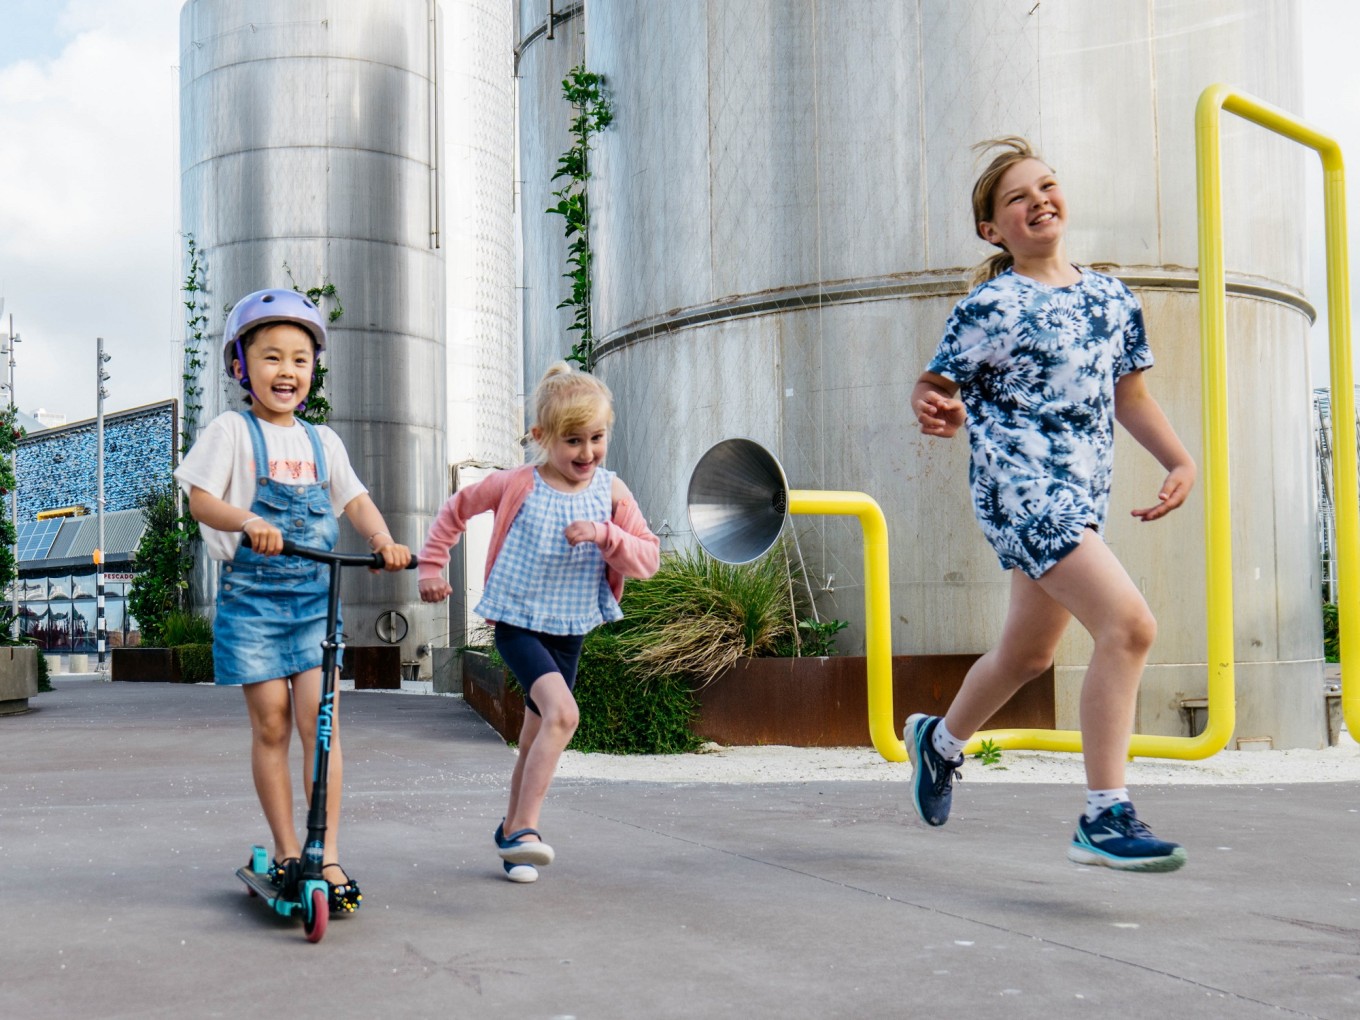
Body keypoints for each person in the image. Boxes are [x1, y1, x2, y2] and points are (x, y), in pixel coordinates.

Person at [906, 137, 1197, 873]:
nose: (1038, 200)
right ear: (992, 230)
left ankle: (939, 742)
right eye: (1016, 197)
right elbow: (936, 386)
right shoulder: (992, 305)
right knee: (1129, 626)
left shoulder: (1110, 298)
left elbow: (1129, 395)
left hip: (1080, 496)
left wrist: (1178, 459)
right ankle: (1105, 816)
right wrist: (936, 408)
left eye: (1047, 187)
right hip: (1019, 489)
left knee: (1029, 655)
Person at [175, 287, 411, 913]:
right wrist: (248, 520)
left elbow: (354, 500)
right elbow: (200, 499)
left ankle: (325, 854)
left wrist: (383, 539)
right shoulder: (231, 431)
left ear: (313, 369)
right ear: (240, 366)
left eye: (300, 359)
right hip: (252, 603)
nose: (287, 371)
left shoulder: (322, 443)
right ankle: (286, 849)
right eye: (272, 357)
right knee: (273, 724)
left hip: (314, 605)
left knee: (322, 727)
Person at [418, 361, 659, 883]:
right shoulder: (515, 484)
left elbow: (647, 558)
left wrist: (605, 535)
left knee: (533, 738)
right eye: (573, 441)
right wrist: (432, 564)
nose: (587, 453)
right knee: (563, 715)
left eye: (597, 438)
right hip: (518, 624)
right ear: (541, 437)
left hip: (570, 631)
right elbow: (457, 509)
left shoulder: (612, 494)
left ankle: (511, 839)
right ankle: (527, 829)